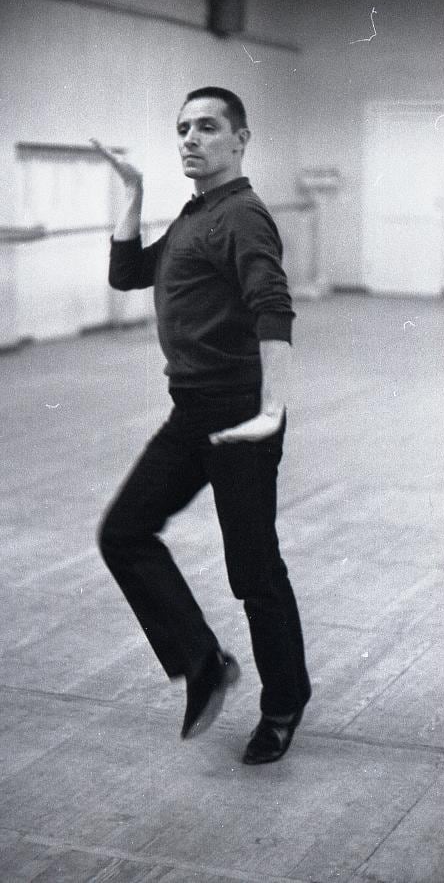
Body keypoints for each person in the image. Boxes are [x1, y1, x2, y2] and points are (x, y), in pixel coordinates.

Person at [95, 87, 311, 764]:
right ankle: (203, 661)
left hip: (239, 413)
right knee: (124, 532)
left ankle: (283, 703)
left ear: (240, 140)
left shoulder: (241, 215)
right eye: (183, 128)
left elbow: (273, 305)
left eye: (208, 127)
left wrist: (272, 409)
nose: (190, 138)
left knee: (253, 571)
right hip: (191, 411)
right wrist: (133, 190)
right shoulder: (197, 214)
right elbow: (129, 272)